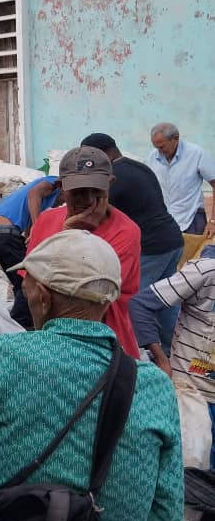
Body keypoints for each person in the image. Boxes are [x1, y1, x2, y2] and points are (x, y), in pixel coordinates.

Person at [0, 230, 183, 521]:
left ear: (44, 297)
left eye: (28, 284)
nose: (26, 292)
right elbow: (165, 519)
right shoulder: (153, 386)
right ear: (109, 301)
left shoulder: (0, 358)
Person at [19, 146, 141, 358]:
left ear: (110, 184)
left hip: (103, 344)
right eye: (78, 192)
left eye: (97, 191)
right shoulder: (46, 221)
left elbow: (92, 298)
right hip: (51, 340)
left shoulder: (126, 232)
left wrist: (73, 234)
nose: (88, 199)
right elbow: (29, 285)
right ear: (62, 187)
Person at [82, 132, 184, 353]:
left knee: (132, 302)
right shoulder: (137, 167)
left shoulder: (114, 177)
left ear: (99, 154)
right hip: (172, 240)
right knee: (166, 301)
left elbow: (95, 214)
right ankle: (172, 352)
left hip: (151, 247)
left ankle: (134, 354)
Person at [130, 256, 215, 470]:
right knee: (189, 475)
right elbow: (141, 304)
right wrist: (160, 359)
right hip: (193, 397)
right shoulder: (206, 271)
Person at [0, 174, 62, 296]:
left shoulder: (42, 201)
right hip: (5, 232)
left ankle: (20, 311)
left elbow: (31, 218)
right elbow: (33, 194)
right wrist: (37, 227)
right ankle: (21, 314)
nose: (63, 203)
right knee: (28, 283)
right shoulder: (53, 182)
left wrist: (31, 237)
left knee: (19, 280)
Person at [147, 122, 215, 236]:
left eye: (162, 146)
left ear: (176, 138)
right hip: (164, 220)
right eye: (156, 147)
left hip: (192, 218)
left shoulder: (196, 154)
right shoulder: (152, 156)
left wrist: (213, 221)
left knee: (194, 253)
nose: (159, 151)